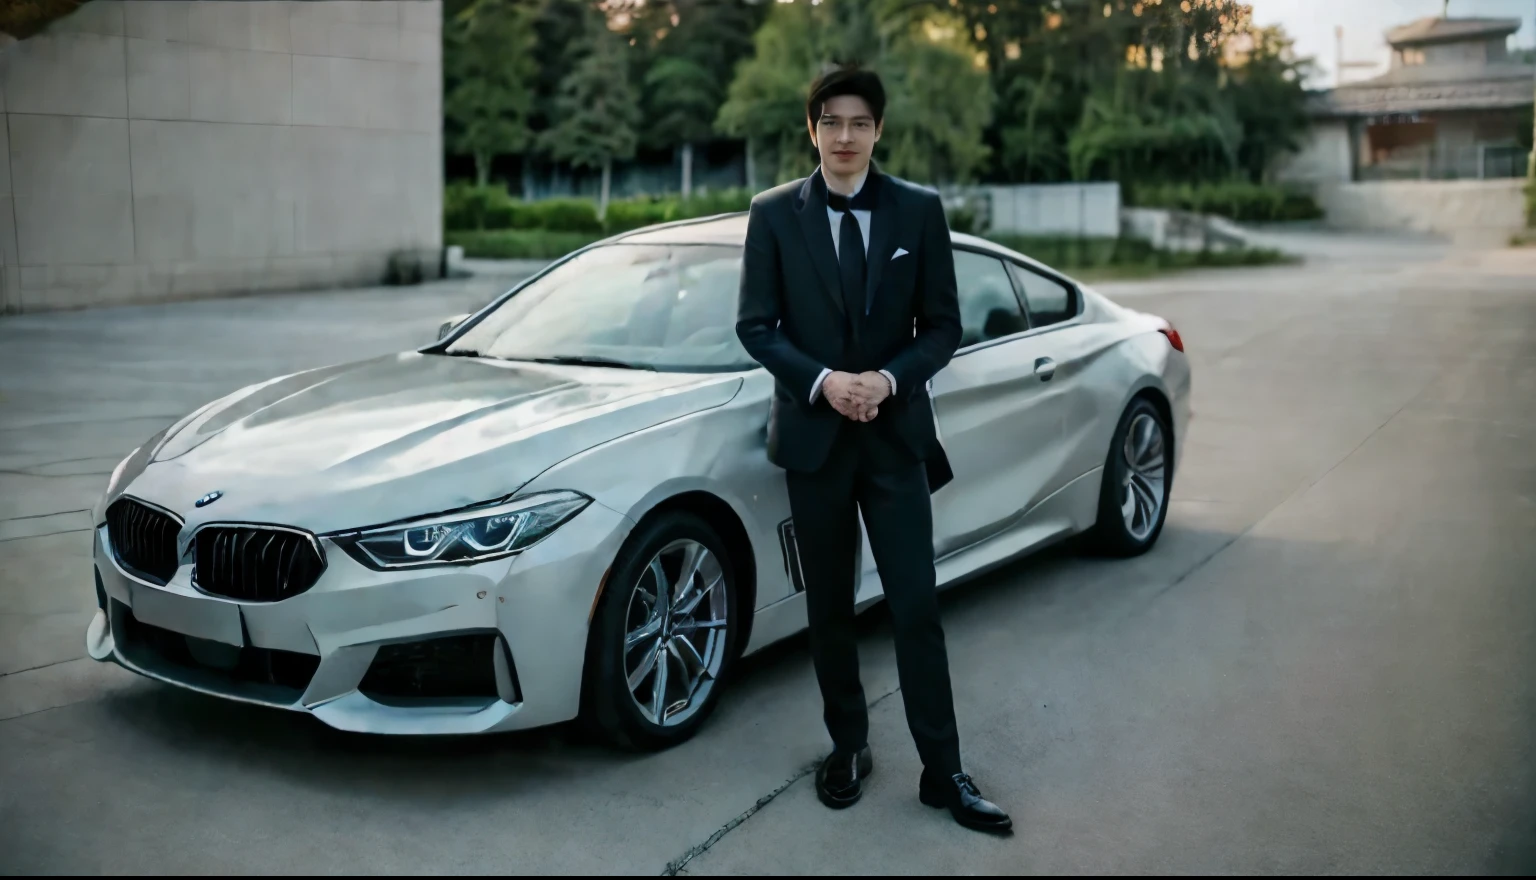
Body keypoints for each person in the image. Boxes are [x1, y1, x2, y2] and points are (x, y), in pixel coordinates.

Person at [734, 63, 1011, 834]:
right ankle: (848, 746)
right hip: (815, 443)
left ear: (878, 130)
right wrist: (824, 382)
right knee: (828, 609)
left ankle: (943, 769)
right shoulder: (773, 214)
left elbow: (945, 327)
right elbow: (756, 326)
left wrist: (888, 380)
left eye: (860, 123)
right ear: (812, 129)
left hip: (894, 443)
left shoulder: (917, 211)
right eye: (832, 122)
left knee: (916, 606)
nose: (845, 137)